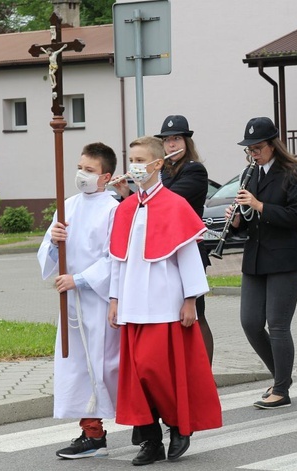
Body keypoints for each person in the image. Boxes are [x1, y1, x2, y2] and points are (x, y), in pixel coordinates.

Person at [108, 136, 221, 465]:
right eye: (131, 160)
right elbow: (118, 259)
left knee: (157, 371)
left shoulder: (175, 205)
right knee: (136, 377)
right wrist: (114, 300)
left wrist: (190, 300)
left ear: (158, 164)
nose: (134, 167)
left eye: (140, 160)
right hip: (131, 305)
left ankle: (178, 426)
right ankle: (151, 439)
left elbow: (188, 257)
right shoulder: (126, 208)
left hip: (164, 304)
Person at [38, 142, 120, 459]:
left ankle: (145, 424)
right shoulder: (67, 205)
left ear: (106, 177)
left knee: (103, 366)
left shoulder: (112, 209)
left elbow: (114, 258)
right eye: (80, 167)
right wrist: (53, 242)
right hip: (71, 302)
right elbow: (48, 251)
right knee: (76, 367)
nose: (81, 174)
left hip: (98, 300)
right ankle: (92, 433)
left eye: (89, 170)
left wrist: (80, 279)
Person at [226, 117, 297, 408]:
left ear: (273, 145)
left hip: (285, 258)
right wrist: (236, 219)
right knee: (250, 322)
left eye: (258, 147)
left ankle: (282, 390)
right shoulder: (250, 174)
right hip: (256, 258)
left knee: (277, 325)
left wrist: (259, 205)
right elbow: (247, 223)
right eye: (249, 148)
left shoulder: (293, 172)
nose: (253, 153)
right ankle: (280, 377)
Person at [153, 115, 215, 364]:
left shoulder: (194, 170)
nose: (171, 145)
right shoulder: (162, 171)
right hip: (165, 252)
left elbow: (167, 201)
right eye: (167, 140)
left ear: (187, 142)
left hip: (189, 250)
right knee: (172, 314)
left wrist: (148, 181)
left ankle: (205, 372)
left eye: (176, 138)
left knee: (196, 314)